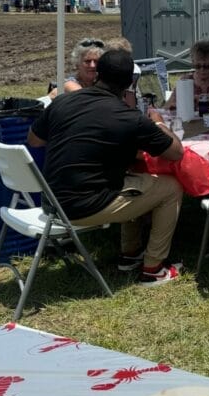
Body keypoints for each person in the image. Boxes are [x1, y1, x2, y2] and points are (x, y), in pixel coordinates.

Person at [28, 49, 185, 286]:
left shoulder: (63, 101)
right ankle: (154, 268)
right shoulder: (128, 117)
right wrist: (159, 122)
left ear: (97, 74)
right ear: (130, 83)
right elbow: (176, 152)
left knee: (137, 177)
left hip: (51, 202)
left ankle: (130, 254)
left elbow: (34, 140)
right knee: (170, 187)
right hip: (82, 207)